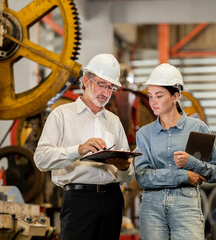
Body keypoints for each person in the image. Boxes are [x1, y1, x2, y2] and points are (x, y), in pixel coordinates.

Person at [34, 53, 135, 240]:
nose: (105, 92)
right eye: (101, 84)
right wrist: (78, 150)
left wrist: (125, 167)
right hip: (79, 201)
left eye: (111, 87)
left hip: (112, 199)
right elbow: (41, 159)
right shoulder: (61, 115)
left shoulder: (114, 121)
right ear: (86, 81)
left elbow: (128, 176)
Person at [134, 63, 216, 240]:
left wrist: (192, 163)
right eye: (150, 96)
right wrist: (184, 176)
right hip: (151, 206)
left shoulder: (197, 128)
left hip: (186, 204)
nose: (153, 102)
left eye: (159, 96)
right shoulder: (144, 134)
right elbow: (142, 177)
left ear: (175, 96)